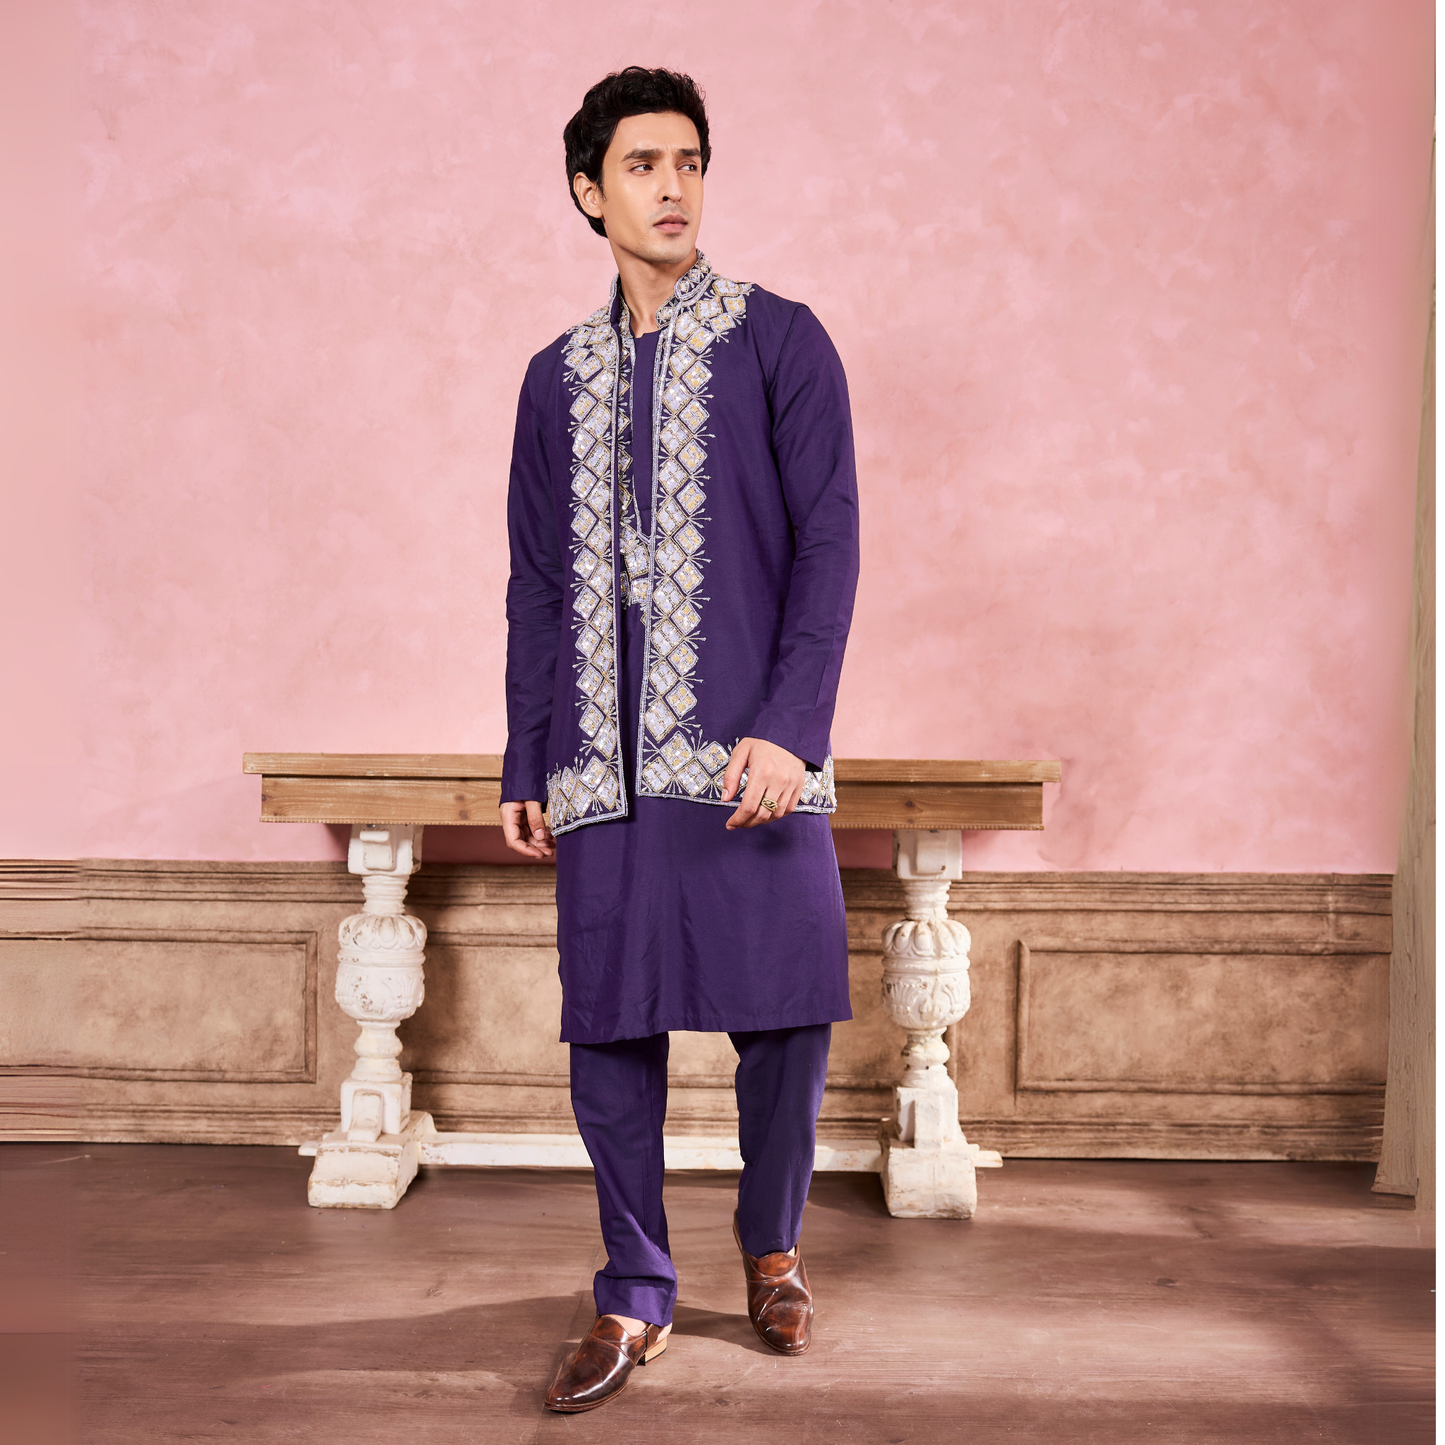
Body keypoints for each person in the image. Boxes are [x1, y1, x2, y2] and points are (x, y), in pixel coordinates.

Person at [499, 65, 859, 1414]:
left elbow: (829, 546)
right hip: (600, 758)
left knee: (787, 1016)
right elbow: (538, 580)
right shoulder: (556, 379)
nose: (672, 187)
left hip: (748, 758)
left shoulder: (783, 342)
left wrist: (791, 730)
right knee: (610, 1025)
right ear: (588, 192)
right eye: (642, 165)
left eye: (690, 162)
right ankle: (632, 1290)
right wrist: (528, 752)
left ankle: (772, 1247)